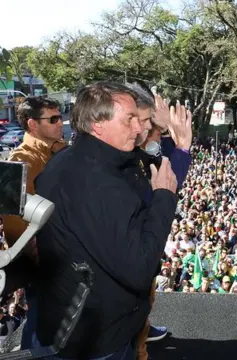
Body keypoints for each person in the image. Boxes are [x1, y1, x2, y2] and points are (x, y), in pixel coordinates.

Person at [32, 82, 178, 359]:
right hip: (97, 340)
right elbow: (139, 268)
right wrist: (164, 197)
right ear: (98, 124)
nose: (138, 129)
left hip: (81, 326)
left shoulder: (71, 160)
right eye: (129, 119)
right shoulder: (98, 183)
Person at [124, 82, 192, 359]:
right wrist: (182, 146)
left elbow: (155, 159)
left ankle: (141, 334)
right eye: (139, 121)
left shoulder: (129, 150)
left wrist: (166, 134)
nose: (142, 129)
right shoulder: (120, 159)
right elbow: (165, 182)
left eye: (146, 122)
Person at [0, 96, 66, 350]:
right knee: (41, 319)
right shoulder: (19, 161)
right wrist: (41, 255)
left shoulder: (62, 150)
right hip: (42, 260)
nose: (61, 123)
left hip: (62, 253)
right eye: (53, 119)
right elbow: (15, 220)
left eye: (60, 116)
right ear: (32, 124)